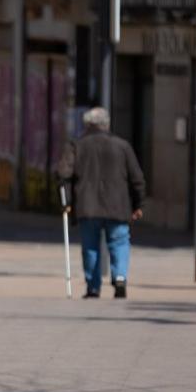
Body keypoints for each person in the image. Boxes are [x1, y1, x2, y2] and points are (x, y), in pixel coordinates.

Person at [56, 107, 145, 299]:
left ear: (87, 125)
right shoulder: (122, 146)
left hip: (88, 206)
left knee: (90, 246)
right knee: (119, 242)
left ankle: (93, 287)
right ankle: (120, 278)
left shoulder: (76, 145)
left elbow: (63, 175)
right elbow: (137, 178)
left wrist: (66, 202)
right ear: (106, 124)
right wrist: (138, 204)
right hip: (118, 206)